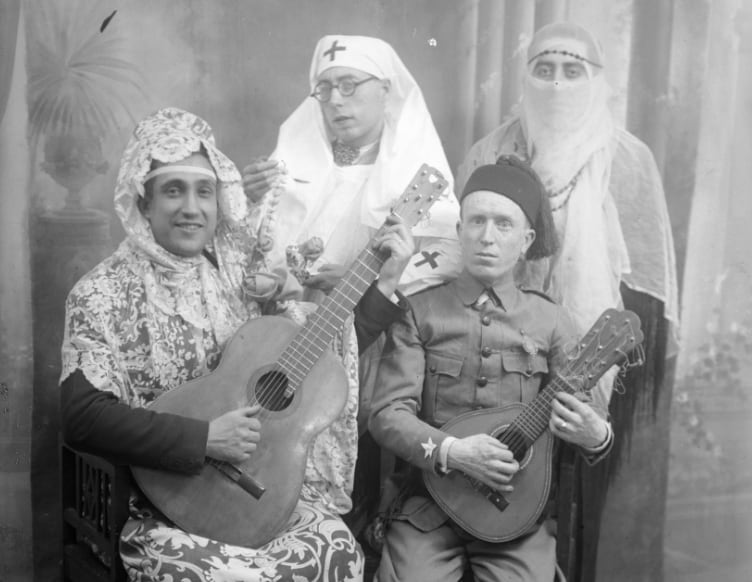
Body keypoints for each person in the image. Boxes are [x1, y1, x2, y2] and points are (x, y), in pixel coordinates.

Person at [60, 107, 416, 581]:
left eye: (204, 191)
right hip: (149, 499)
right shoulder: (99, 292)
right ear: (142, 203)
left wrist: (385, 283)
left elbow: (313, 361)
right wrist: (205, 438)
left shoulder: (239, 277)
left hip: (248, 493)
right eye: (173, 190)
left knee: (337, 549)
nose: (191, 207)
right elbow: (81, 416)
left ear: (219, 200)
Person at [455, 21, 679, 580]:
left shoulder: (627, 157)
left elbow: (643, 286)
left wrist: (596, 370)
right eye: (544, 68)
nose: (556, 83)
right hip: (494, 341)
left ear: (596, 79)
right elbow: (460, 251)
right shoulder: (491, 149)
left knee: (573, 497)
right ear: (526, 76)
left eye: (572, 69)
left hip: (593, 351)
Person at [369, 158, 613, 582]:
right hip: (428, 509)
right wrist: (454, 452)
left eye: (503, 224)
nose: (487, 237)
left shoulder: (551, 321)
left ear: (526, 239)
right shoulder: (419, 312)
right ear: (460, 231)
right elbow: (387, 415)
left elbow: (591, 420)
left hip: (517, 516)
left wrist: (597, 436)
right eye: (476, 221)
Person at [243, 34, 463, 435]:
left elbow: (445, 258)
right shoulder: (291, 164)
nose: (336, 102)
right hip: (278, 343)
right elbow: (255, 254)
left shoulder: (414, 172)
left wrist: (362, 280)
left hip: (373, 341)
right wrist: (248, 203)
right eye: (324, 90)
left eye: (349, 86)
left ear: (384, 90)